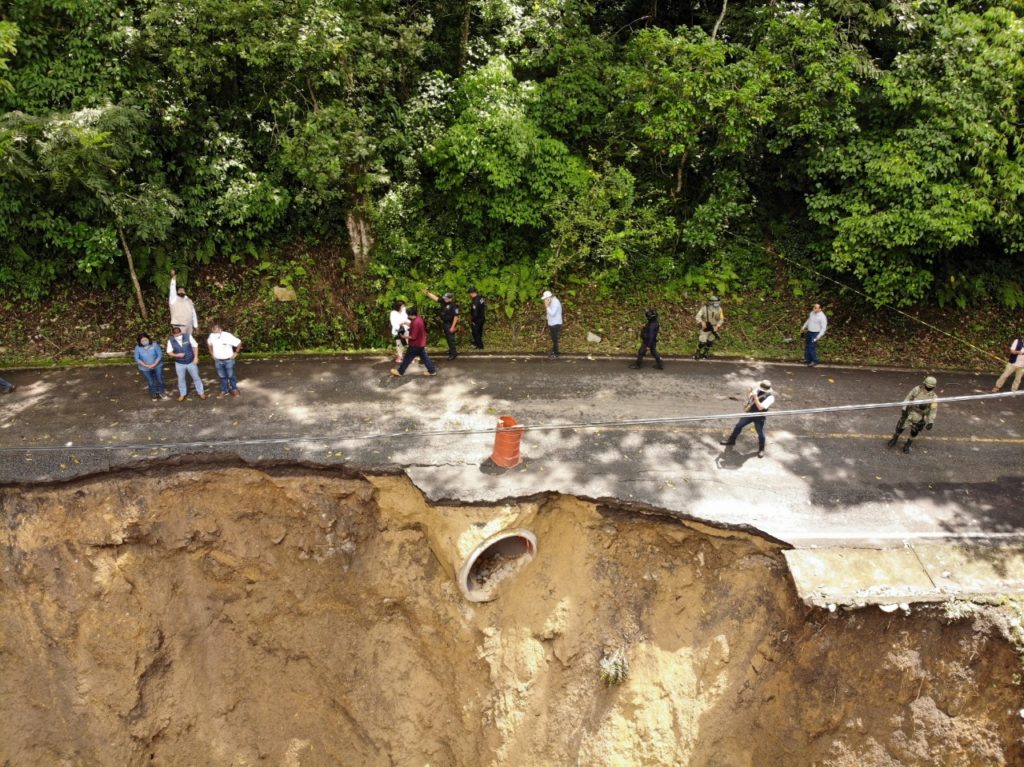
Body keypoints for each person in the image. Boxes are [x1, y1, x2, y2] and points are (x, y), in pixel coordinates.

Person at [720, 380, 775, 458]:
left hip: (759, 416)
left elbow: (760, 407)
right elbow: (750, 397)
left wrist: (755, 397)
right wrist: (749, 393)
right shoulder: (757, 390)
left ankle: (761, 449)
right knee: (738, 426)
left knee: (760, 433)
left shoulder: (770, 397)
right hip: (750, 413)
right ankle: (731, 441)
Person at [888, 376, 938, 453]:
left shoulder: (934, 397)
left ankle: (907, 445)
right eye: (927, 386)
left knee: (914, 432)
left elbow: (933, 410)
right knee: (899, 427)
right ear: (924, 384)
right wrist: (904, 409)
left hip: (920, 417)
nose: (928, 388)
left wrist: (931, 422)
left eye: (930, 387)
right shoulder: (917, 390)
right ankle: (894, 439)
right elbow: (908, 398)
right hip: (909, 413)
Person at [391, 307, 437, 377]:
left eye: (408, 315)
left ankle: (400, 372)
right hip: (421, 343)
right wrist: (406, 323)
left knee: (407, 359)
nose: (407, 316)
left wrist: (403, 337)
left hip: (415, 344)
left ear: (411, 314)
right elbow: (414, 327)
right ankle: (432, 371)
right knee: (425, 358)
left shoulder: (415, 322)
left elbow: (413, 337)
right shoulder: (418, 318)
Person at [167, 326, 206, 401]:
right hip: (179, 363)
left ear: (181, 332)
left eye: (179, 334)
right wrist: (177, 355)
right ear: (173, 334)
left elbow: (195, 346)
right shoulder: (170, 340)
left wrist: (196, 357)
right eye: (176, 335)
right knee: (181, 379)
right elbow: (169, 352)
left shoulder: (188, 336)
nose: (178, 336)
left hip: (191, 361)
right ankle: (182, 394)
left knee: (196, 377)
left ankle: (201, 392)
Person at [207, 322, 242, 397]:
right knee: (222, 376)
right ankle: (224, 390)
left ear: (220, 329)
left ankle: (234, 389)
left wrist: (236, 352)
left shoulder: (227, 335)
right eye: (213, 329)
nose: (214, 330)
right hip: (218, 360)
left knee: (231, 375)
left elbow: (239, 343)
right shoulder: (211, 336)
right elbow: (209, 344)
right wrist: (212, 353)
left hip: (229, 360)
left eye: (215, 329)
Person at [424, 289, 460, 360]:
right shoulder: (444, 301)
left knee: (450, 339)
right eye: (444, 298)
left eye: (446, 298)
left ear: (450, 298)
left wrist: (452, 327)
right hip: (445, 323)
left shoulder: (454, 305)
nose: (445, 299)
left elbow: (456, 317)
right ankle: (451, 350)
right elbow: (435, 298)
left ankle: (453, 353)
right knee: (448, 338)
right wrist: (427, 293)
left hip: (450, 323)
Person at [133, 333, 168, 401]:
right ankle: (154, 393)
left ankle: (161, 392)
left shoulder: (155, 345)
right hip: (145, 368)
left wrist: (154, 364)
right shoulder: (137, 347)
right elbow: (137, 358)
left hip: (157, 366)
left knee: (159, 379)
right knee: (150, 381)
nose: (144, 341)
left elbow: (159, 355)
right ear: (139, 342)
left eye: (146, 339)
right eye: (142, 341)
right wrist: (145, 365)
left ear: (148, 339)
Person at [168, 269, 199, 338]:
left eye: (183, 290)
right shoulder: (173, 299)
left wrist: (196, 325)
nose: (181, 291)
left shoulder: (189, 300)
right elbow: (172, 288)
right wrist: (173, 278)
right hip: (179, 326)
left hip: (189, 326)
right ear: (177, 292)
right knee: (180, 343)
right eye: (179, 290)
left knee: (188, 342)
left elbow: (193, 313)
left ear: (185, 292)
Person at [542, 290, 563, 358]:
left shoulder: (555, 302)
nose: (545, 300)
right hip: (552, 323)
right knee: (553, 338)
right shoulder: (551, 301)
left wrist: (546, 306)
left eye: (545, 298)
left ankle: (556, 354)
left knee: (555, 339)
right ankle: (554, 351)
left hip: (555, 323)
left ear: (549, 297)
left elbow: (552, 313)